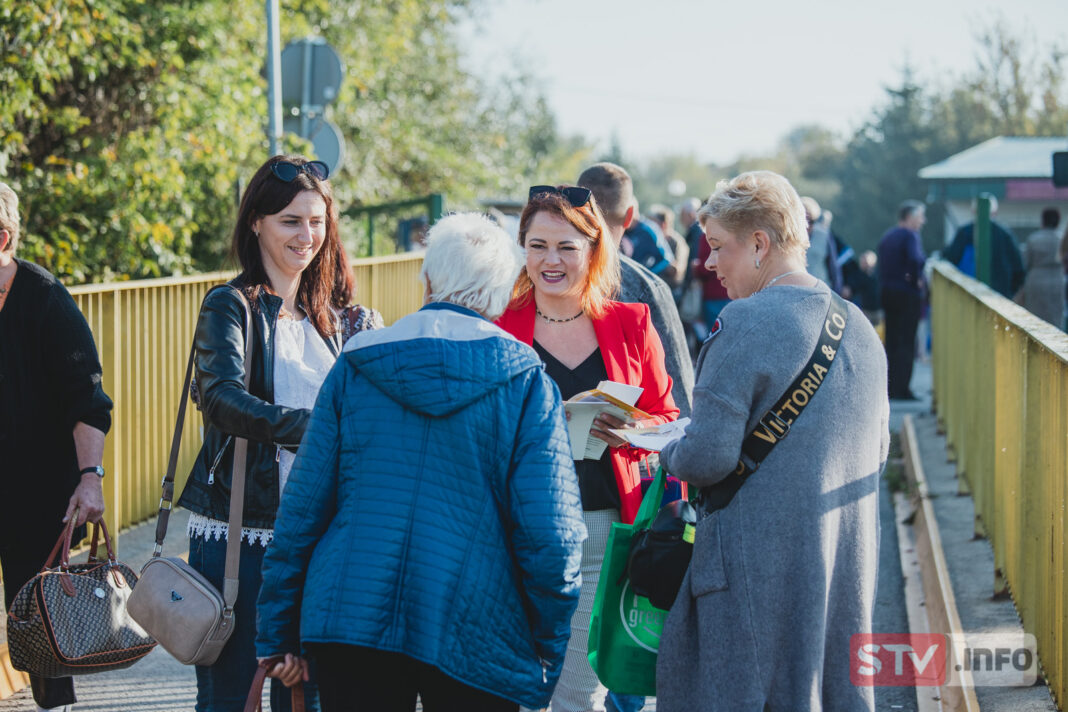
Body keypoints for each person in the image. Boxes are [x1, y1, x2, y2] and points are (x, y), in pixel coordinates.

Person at [255, 212, 586, 712]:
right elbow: (552, 538)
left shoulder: (357, 363)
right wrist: (546, 648)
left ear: (427, 280)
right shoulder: (525, 380)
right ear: (504, 293)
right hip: (478, 624)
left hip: (352, 615)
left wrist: (278, 631)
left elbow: (302, 510)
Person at [656, 170, 888, 712]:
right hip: (841, 566)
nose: (709, 263)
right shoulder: (859, 328)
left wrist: (663, 448)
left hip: (753, 571)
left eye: (718, 247)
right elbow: (877, 453)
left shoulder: (744, 321)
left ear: (760, 243)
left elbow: (706, 458)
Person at [177, 155, 372, 712]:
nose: (306, 235)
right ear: (256, 222)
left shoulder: (338, 318)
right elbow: (219, 398)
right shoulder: (229, 304)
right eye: (290, 220)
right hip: (242, 534)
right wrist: (313, 430)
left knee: (309, 695)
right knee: (232, 696)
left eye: (316, 221)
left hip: (319, 533)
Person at [496, 185, 679, 712]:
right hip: (516, 528)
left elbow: (667, 418)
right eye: (537, 245)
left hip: (602, 524)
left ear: (594, 249)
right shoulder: (497, 324)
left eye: (566, 247)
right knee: (517, 688)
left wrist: (630, 432)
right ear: (522, 248)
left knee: (581, 693)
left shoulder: (631, 323)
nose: (550, 260)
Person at [0, 182, 112, 712]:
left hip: (36, 495)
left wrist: (90, 478)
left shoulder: (45, 299)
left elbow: (87, 401)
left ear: (2, 238)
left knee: (43, 631)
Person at [577, 163, 694, 419]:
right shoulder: (647, 287)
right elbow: (678, 391)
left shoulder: (545, 273)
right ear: (630, 216)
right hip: (629, 443)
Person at [878, 200, 927, 401]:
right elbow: (916, 260)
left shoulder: (887, 237)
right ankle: (903, 389)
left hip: (888, 292)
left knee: (892, 340)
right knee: (907, 342)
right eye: (920, 217)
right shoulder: (910, 236)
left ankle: (890, 387)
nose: (923, 222)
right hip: (907, 294)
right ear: (910, 217)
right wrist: (918, 280)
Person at [942, 196, 1025, 299]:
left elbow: (951, 259)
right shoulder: (1004, 234)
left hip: (967, 294)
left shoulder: (964, 232)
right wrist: (1009, 291)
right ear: (995, 212)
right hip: (998, 295)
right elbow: (1018, 267)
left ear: (973, 211)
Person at [1017, 208, 1064, 326]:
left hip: (1036, 279)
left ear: (1043, 221)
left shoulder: (1034, 239)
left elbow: (1025, 262)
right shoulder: (1061, 239)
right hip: (1057, 280)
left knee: (1035, 317)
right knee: (1055, 317)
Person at [800, 196, 841, 292]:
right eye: (804, 220)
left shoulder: (825, 235)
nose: (807, 225)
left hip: (821, 290)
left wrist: (837, 292)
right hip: (799, 290)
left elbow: (833, 267)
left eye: (811, 221)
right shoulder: (789, 237)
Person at [648, 203, 690, 296]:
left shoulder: (677, 242)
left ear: (663, 224)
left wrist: (662, 264)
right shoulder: (651, 240)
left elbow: (678, 270)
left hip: (671, 292)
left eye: (653, 223)